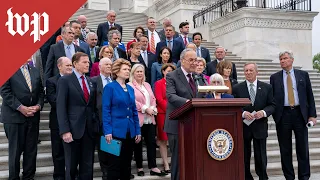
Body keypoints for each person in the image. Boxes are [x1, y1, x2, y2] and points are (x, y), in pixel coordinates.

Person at [270, 51, 317, 180]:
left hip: (299, 114)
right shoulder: (274, 77)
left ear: (292, 60)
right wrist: (276, 115)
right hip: (283, 115)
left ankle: (304, 176)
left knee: (302, 148)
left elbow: (309, 95)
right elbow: (272, 98)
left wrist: (312, 115)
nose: (282, 61)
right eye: (280, 59)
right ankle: (289, 177)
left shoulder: (303, 75)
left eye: (285, 58)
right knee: (285, 149)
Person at [164, 48, 205, 180]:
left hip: (193, 124)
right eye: (191, 60)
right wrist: (189, 103)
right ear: (182, 61)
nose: (194, 63)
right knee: (178, 159)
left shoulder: (198, 77)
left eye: (196, 60)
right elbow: (171, 96)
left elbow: (203, 96)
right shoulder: (172, 76)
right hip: (177, 125)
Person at [56, 52, 99, 180]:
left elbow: (92, 106)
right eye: (84, 62)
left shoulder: (91, 81)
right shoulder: (65, 80)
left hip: (89, 130)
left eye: (88, 62)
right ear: (75, 64)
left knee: (88, 165)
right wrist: (65, 130)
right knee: (72, 166)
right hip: (73, 130)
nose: (88, 64)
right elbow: (61, 107)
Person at [0, 58, 44, 180]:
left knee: (31, 151)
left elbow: (41, 92)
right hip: (14, 118)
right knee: (15, 152)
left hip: (33, 117)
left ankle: (29, 177)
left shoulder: (34, 71)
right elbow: (5, 91)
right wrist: (21, 108)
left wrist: (38, 106)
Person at [233, 62, 276, 180]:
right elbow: (234, 106)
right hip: (244, 127)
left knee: (261, 156)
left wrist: (263, 112)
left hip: (260, 126)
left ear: (257, 72)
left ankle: (263, 177)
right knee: (244, 156)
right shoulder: (237, 88)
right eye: (246, 70)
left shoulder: (267, 87)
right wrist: (243, 113)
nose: (248, 73)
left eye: (251, 70)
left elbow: (272, 105)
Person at [102, 59, 141, 180]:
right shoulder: (110, 87)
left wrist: (138, 131)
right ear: (117, 71)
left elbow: (134, 111)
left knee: (127, 164)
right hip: (115, 131)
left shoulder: (130, 88)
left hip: (130, 131)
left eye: (129, 69)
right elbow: (106, 110)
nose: (127, 71)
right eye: (125, 69)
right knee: (114, 165)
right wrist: (107, 130)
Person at [128, 64, 166, 177]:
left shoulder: (147, 85)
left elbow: (153, 98)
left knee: (151, 143)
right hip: (138, 119)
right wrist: (145, 108)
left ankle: (153, 167)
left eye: (141, 71)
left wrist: (153, 108)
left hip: (150, 119)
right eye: (137, 71)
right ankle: (139, 167)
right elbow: (132, 101)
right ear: (133, 73)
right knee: (138, 144)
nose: (140, 73)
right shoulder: (129, 85)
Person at [46, 57, 73, 180]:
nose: (69, 67)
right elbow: (54, 101)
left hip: (73, 122)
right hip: (57, 122)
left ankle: (73, 174)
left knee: (73, 152)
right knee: (58, 152)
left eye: (71, 65)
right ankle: (59, 176)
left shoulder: (75, 80)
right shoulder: (51, 81)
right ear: (59, 66)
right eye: (67, 65)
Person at [91, 58, 113, 180]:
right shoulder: (93, 81)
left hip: (114, 121)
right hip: (100, 122)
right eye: (106, 64)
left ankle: (112, 172)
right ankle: (106, 173)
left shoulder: (115, 81)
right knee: (103, 150)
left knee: (113, 149)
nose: (109, 66)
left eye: (111, 64)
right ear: (99, 67)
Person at [154, 63, 176, 174]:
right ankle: (166, 164)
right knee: (163, 140)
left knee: (173, 139)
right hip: (163, 114)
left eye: (171, 71)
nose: (169, 73)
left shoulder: (175, 82)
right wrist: (170, 108)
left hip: (176, 114)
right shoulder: (158, 83)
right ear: (163, 72)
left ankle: (174, 162)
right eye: (167, 71)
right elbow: (159, 98)